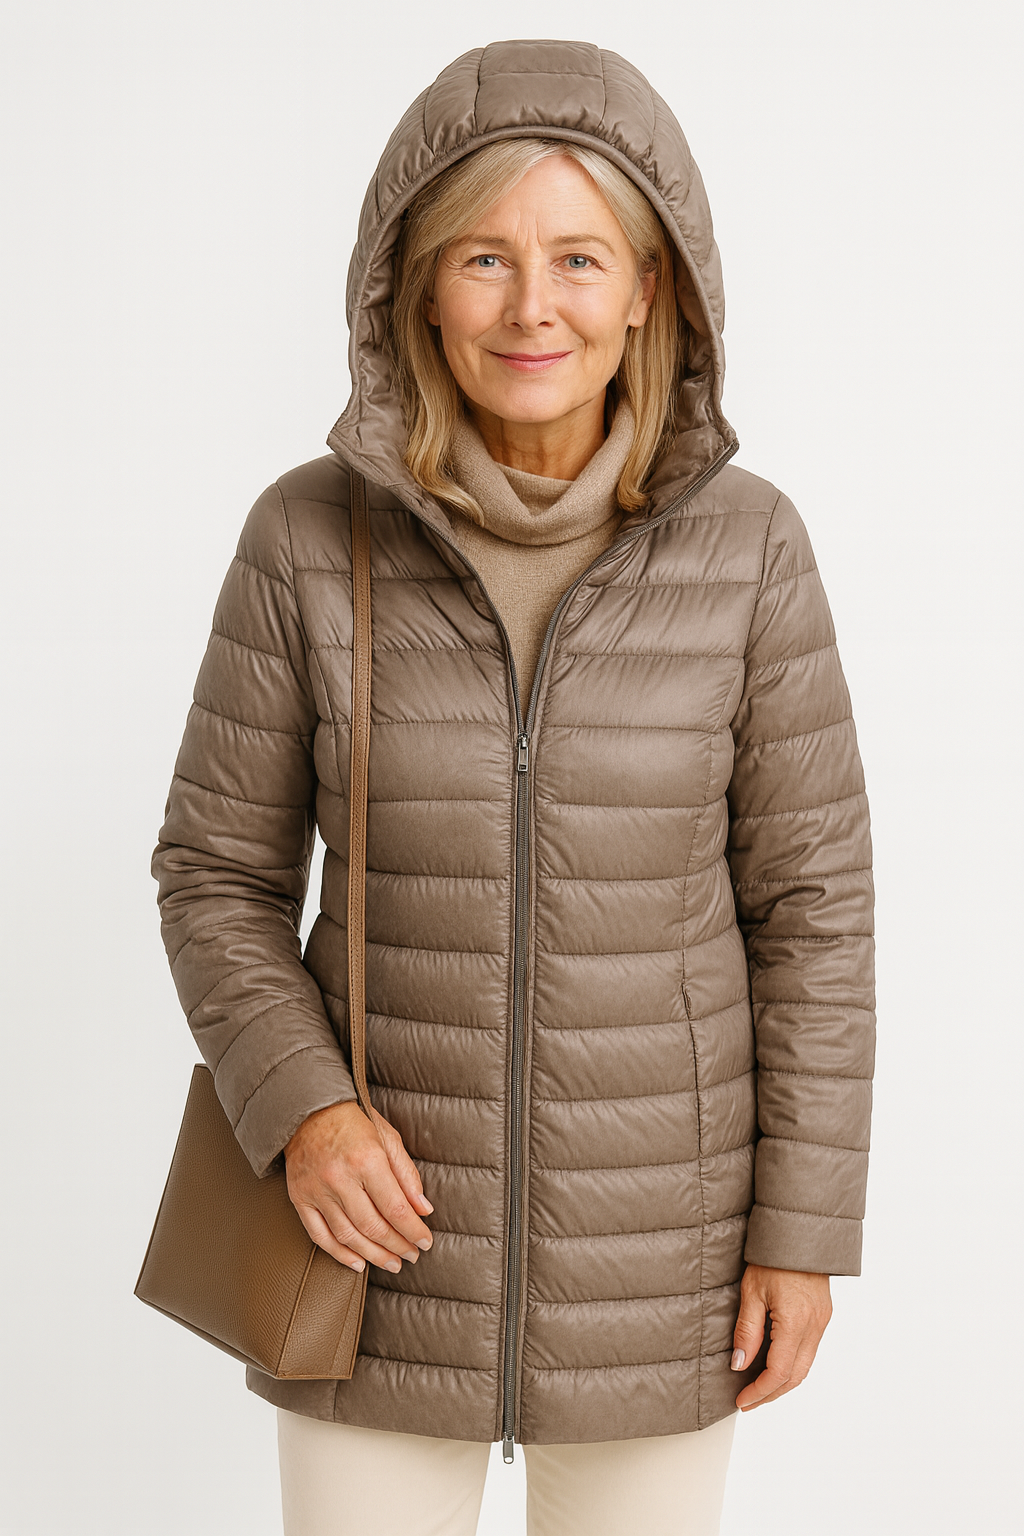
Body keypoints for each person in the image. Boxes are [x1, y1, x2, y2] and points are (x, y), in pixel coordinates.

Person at [151, 37, 875, 1536]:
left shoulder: (751, 550)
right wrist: (302, 1112)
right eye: (484, 256)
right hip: (371, 1259)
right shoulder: (306, 539)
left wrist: (803, 1230)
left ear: (651, 289)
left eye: (579, 258)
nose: (532, 305)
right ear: (418, 288)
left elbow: (814, 912)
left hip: (661, 1270)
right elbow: (214, 874)